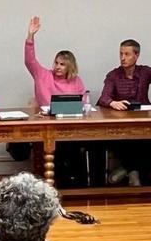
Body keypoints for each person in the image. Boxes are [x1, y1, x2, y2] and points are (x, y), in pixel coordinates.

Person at [22, 16, 97, 188]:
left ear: (70, 66)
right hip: (48, 125)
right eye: (56, 62)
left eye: (62, 64)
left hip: (71, 126)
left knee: (75, 146)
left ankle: (75, 184)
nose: (57, 66)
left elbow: (83, 104)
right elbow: (29, 60)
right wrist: (30, 36)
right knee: (58, 148)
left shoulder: (76, 81)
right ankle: (57, 184)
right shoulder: (43, 75)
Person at [97, 38, 151, 187]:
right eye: (121, 54)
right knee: (123, 140)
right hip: (121, 124)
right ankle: (134, 172)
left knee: (149, 139)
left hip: (142, 122)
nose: (122, 58)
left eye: (127, 54)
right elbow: (104, 97)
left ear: (137, 55)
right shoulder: (113, 75)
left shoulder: (145, 72)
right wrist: (113, 103)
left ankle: (128, 169)